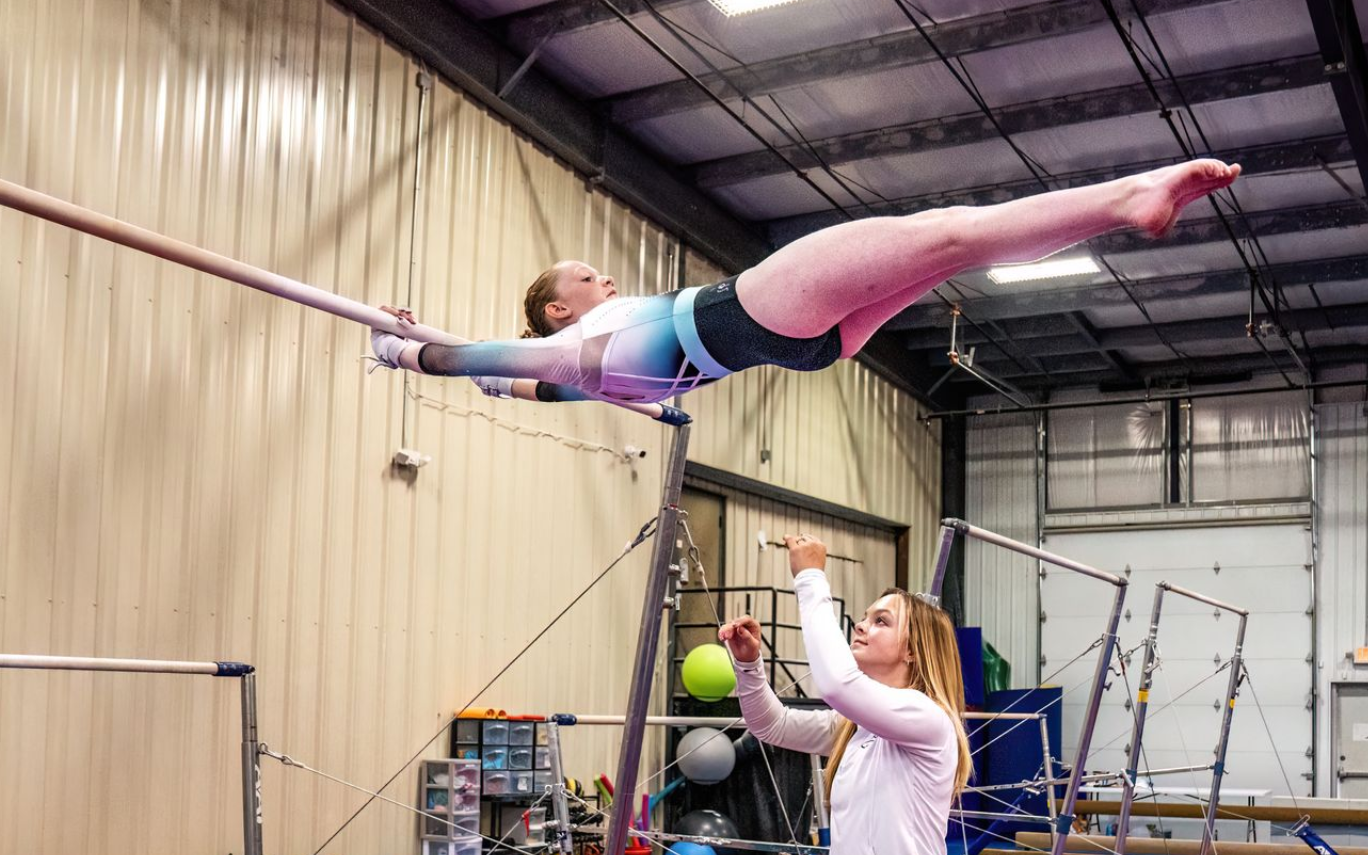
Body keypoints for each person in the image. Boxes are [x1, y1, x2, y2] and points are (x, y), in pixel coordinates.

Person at [370, 160, 1240, 419]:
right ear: (561, 307)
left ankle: (1124, 208)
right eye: (587, 277)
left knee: (945, 255)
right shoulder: (572, 350)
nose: (605, 276)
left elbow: (498, 375)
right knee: (945, 231)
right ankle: (1128, 199)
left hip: (802, 347)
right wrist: (407, 350)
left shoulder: (574, 374)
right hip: (746, 311)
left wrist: (418, 338)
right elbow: (473, 358)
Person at [718, 533, 970, 855]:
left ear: (912, 651)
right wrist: (749, 664)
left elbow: (837, 684)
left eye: (881, 621)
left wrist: (810, 578)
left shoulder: (927, 718)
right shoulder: (854, 727)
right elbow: (771, 725)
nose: (861, 626)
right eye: (865, 617)